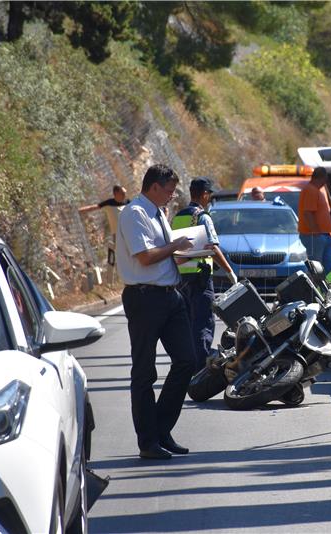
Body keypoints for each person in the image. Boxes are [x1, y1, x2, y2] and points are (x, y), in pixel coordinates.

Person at [115, 164, 195, 460]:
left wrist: (193, 252)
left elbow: (165, 253)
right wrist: (175, 246)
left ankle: (161, 429)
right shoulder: (134, 213)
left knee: (187, 360)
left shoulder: (158, 211)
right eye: (170, 191)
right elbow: (146, 257)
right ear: (154, 187)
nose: (173, 197)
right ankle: (148, 441)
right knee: (144, 371)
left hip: (170, 295)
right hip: (144, 297)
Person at [171, 177, 237, 372]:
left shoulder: (178, 216)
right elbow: (213, 248)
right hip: (200, 277)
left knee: (189, 323)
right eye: (210, 195)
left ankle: (188, 364)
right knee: (203, 323)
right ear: (204, 194)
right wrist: (229, 271)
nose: (210, 199)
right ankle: (200, 368)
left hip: (181, 279)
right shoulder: (203, 216)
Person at [298, 167, 331, 274]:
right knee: (315, 268)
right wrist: (316, 232)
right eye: (325, 178)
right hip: (314, 236)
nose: (326, 181)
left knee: (330, 268)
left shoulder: (315, 190)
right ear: (322, 177)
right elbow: (307, 213)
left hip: (323, 235)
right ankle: (311, 290)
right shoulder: (310, 190)